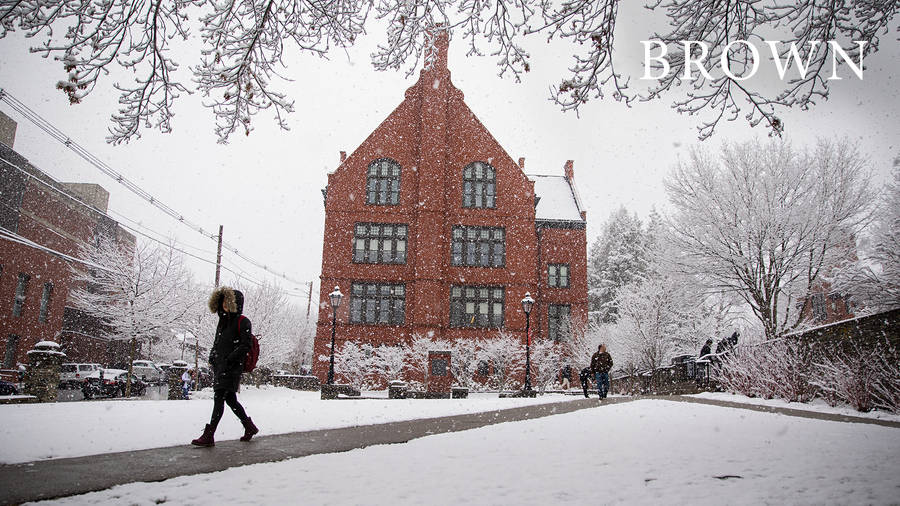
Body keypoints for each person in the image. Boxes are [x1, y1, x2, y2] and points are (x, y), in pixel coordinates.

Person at [191, 286, 259, 446]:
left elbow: (245, 345)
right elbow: (217, 343)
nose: (224, 306)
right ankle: (249, 426)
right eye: (223, 303)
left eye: (228, 303)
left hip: (232, 368)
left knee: (219, 398)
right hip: (221, 367)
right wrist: (213, 357)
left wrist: (230, 359)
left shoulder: (243, 321)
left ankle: (209, 435)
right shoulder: (222, 322)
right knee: (230, 400)